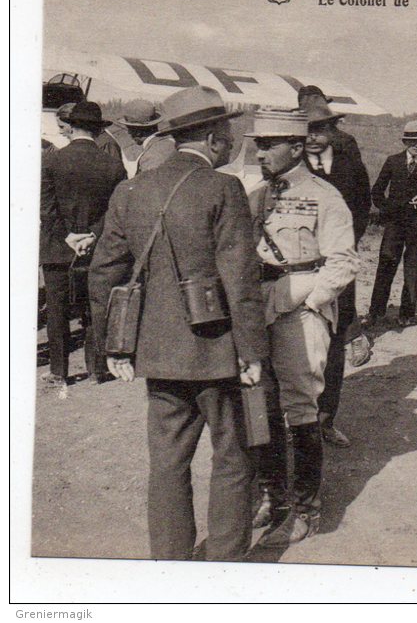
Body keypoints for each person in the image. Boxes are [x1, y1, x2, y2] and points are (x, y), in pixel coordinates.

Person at [88, 86, 267, 561]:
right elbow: (241, 277)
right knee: (233, 458)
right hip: (219, 352)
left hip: (157, 353)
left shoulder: (131, 191)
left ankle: (170, 564)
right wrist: (252, 353)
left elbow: (105, 271)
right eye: (226, 132)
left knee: (167, 463)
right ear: (211, 136)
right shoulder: (224, 188)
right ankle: (225, 562)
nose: (230, 140)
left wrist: (114, 347)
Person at [248, 108, 359, 547]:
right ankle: (273, 497)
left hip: (299, 312)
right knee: (263, 405)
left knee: (300, 410)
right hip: (261, 309)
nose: (261, 153)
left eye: (270, 144)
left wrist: (311, 304)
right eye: (257, 144)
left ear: (296, 147)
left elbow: (343, 262)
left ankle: (305, 509)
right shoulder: (255, 195)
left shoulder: (325, 197)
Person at [299, 87, 373, 448]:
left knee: (335, 341)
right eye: (307, 129)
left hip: (338, 267)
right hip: (300, 270)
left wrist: (342, 249)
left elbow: (362, 207)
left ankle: (326, 420)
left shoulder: (349, 160)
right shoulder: (290, 163)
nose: (313, 137)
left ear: (332, 129)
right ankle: (301, 420)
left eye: (320, 129)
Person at [40, 101, 127, 386]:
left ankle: (58, 371)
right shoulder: (113, 165)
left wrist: (67, 234)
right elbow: (116, 211)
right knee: (94, 307)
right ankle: (98, 369)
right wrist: (92, 234)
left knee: (56, 311)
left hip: (57, 247)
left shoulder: (51, 160)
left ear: (72, 126)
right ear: (97, 128)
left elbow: (46, 208)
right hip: (96, 247)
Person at [366, 120, 417, 328]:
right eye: (412, 140)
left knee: (412, 269)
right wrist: (388, 209)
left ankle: (407, 314)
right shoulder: (392, 162)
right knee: (386, 265)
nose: (416, 145)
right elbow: (376, 192)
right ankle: (376, 312)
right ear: (405, 141)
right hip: (394, 224)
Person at [110, 99, 177, 177]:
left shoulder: (151, 157)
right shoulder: (170, 143)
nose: (129, 133)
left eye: (129, 128)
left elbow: (147, 186)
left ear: (137, 131)